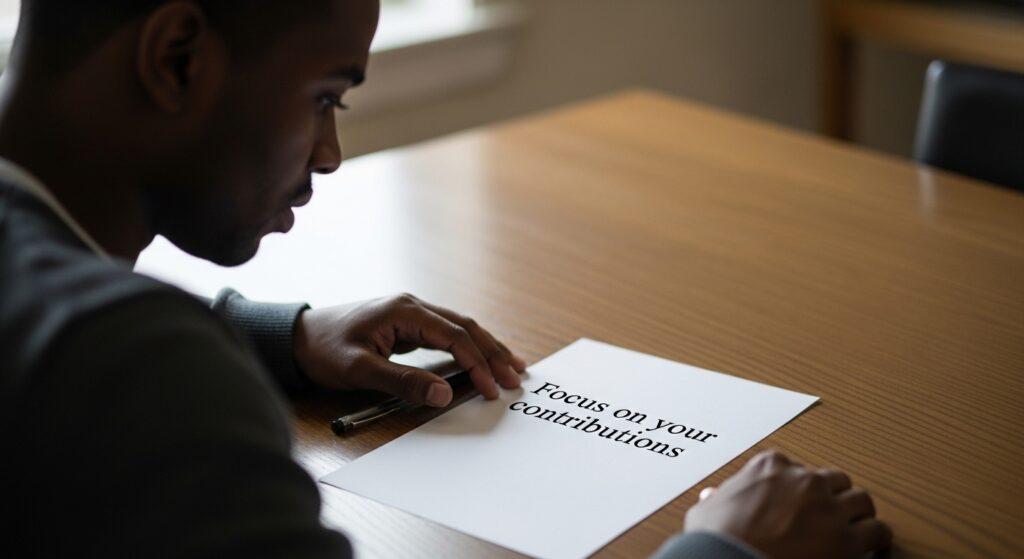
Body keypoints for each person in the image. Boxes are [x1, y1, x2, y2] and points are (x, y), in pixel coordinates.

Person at [0, 1, 891, 557]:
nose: (330, 152)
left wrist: (281, 334)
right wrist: (731, 553)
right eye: (324, 97)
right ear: (179, 56)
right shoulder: (131, 369)